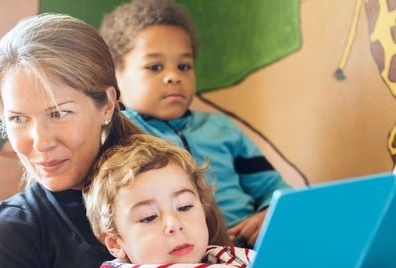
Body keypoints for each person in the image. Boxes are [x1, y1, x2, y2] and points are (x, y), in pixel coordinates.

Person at [0, 13, 142, 268]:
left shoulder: (171, 191)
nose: (41, 142)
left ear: (107, 106)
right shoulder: (10, 238)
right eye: (18, 119)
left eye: (59, 113)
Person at [100, 0, 290, 247]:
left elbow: (276, 189)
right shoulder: (119, 134)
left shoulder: (223, 129)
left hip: (253, 248)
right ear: (116, 77)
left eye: (184, 66)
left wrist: (269, 214)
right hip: (180, 254)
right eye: (155, 67)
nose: (173, 76)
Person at [85, 134, 253, 268]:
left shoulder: (232, 257)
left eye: (184, 207)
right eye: (149, 217)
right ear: (116, 242)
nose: (174, 224)